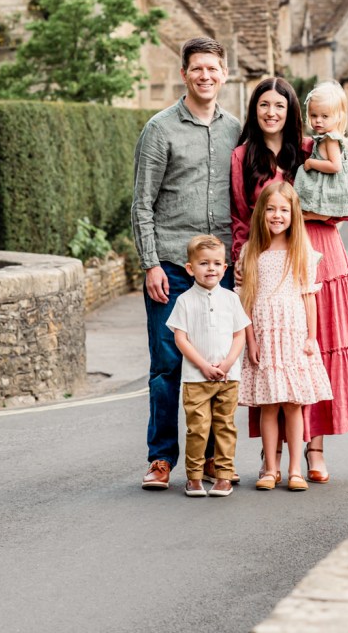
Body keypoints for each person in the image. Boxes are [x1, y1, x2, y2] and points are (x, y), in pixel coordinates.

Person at [230, 76, 348, 484]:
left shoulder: (310, 148)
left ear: (291, 113)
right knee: (273, 354)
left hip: (320, 254)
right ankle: (275, 459)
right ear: (254, 110)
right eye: (264, 105)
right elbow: (238, 216)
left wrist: (309, 217)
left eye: (279, 106)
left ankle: (315, 449)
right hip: (267, 262)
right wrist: (240, 259)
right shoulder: (241, 157)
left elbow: (344, 202)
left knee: (315, 351)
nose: (271, 113)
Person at [132, 36, 241, 490]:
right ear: (184, 73)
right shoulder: (160, 129)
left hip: (223, 271)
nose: (205, 76)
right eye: (197, 68)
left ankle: (215, 461)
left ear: (224, 73)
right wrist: (151, 263)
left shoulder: (236, 129)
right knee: (166, 368)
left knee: (217, 367)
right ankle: (161, 461)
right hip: (173, 268)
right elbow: (141, 203)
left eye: (213, 69)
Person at [238, 183, 332, 492]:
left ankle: (295, 469)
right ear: (261, 213)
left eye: (283, 210)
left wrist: (311, 337)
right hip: (264, 336)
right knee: (269, 404)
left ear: (293, 215)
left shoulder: (300, 251)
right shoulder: (252, 251)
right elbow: (246, 302)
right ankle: (271, 469)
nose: (277, 216)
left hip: (293, 335)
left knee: (293, 404)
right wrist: (250, 341)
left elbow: (308, 296)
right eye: (271, 209)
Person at [166, 235, 251, 498]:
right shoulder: (184, 301)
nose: (211, 268)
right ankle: (194, 477)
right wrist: (203, 365)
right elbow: (181, 338)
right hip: (195, 378)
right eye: (204, 263)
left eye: (216, 263)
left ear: (225, 267)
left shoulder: (231, 299)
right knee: (198, 428)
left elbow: (240, 334)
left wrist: (226, 364)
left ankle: (224, 476)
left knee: (225, 426)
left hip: (228, 377)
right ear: (191, 268)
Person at [293, 81, 348, 217]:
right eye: (313, 115)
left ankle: (315, 215)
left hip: (331, 183)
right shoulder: (327, 137)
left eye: (324, 116)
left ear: (339, 116)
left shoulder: (331, 139)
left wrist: (311, 163)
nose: (318, 120)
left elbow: (335, 166)